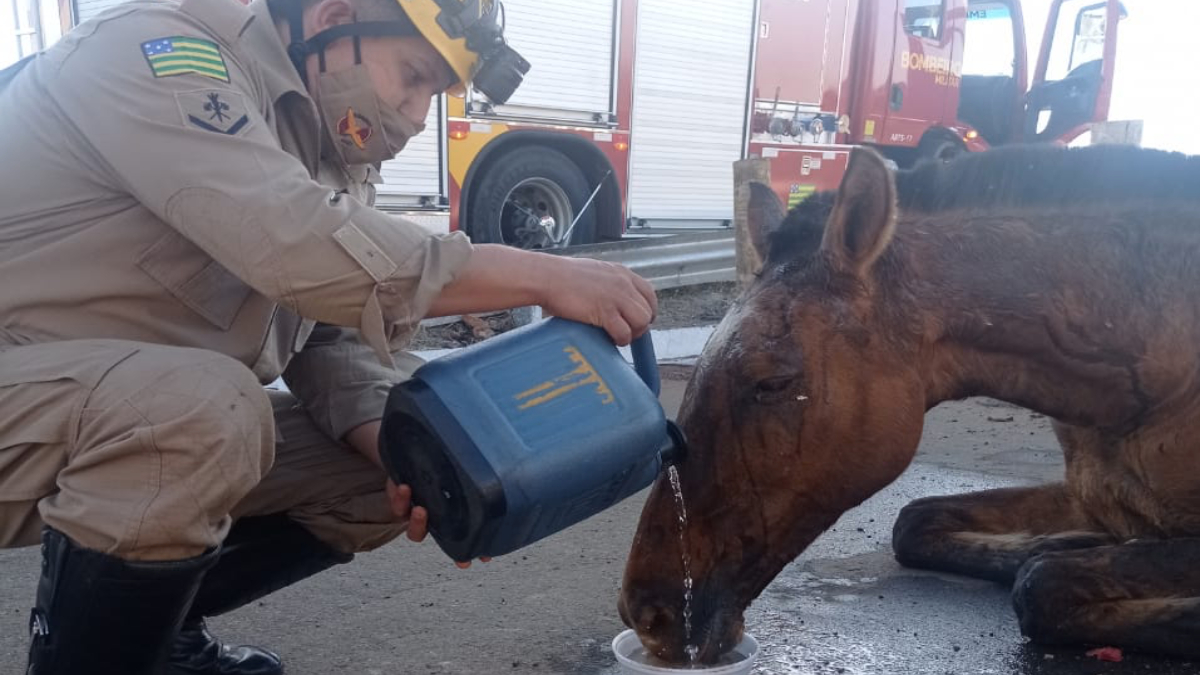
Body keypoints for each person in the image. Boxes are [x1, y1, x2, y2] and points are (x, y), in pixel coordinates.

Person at [0, 0, 657, 672]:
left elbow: (324, 333)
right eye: (413, 75)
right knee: (201, 410)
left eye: (435, 92)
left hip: (111, 417)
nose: (416, 114)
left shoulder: (321, 143)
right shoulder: (158, 51)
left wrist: (405, 454)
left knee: (426, 445)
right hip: (28, 393)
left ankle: (154, 636)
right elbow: (298, 247)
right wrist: (539, 274)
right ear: (331, 18)